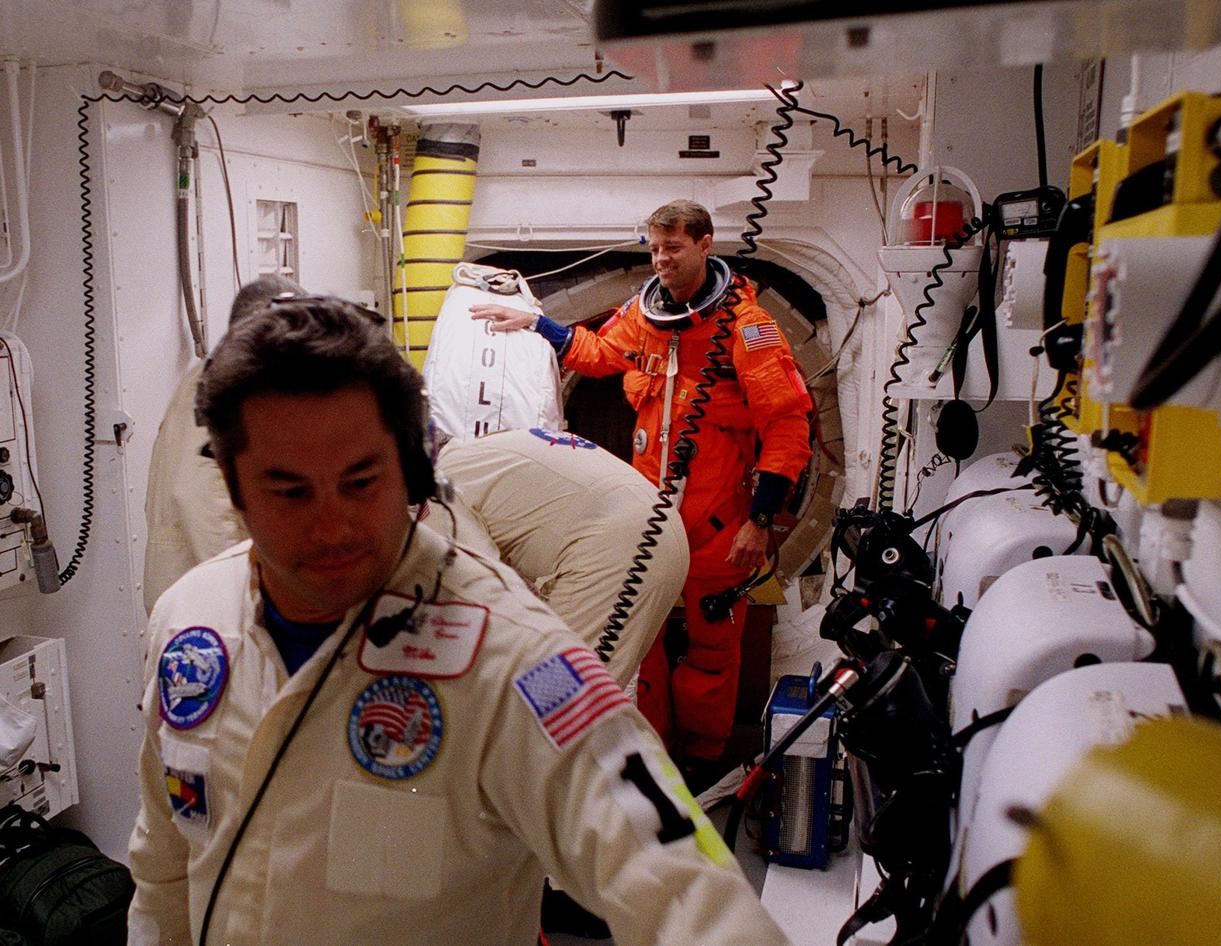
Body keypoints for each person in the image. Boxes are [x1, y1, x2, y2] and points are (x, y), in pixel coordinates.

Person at [127, 292, 791, 946]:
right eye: (289, 491)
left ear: (413, 471)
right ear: (234, 490)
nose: (332, 525)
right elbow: (162, 869)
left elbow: (675, 867)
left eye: (361, 482)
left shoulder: (515, 656)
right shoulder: (189, 625)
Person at [471, 199, 813, 785]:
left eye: (672, 249)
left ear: (706, 245)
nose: (661, 261)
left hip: (716, 524)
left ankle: (704, 756)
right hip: (647, 514)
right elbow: (601, 355)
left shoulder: (749, 328)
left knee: (711, 647)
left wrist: (759, 522)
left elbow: (787, 426)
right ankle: (649, 752)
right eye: (654, 249)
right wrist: (539, 325)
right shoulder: (645, 312)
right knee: (639, 638)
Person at [426, 426, 689, 689]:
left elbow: (483, 590)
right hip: (661, 530)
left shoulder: (438, 483)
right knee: (593, 696)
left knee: (552, 699)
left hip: (615, 549)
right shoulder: (490, 447)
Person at [141, 275, 302, 614]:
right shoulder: (226, 386)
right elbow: (199, 498)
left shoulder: (211, 376)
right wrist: (247, 597)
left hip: (194, 584)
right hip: (206, 598)